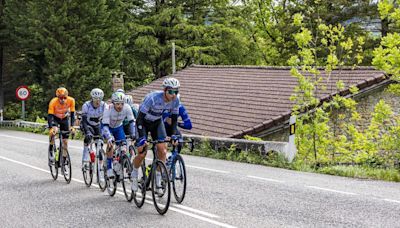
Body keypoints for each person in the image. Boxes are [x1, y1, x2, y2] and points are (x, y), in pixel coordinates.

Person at [131, 77, 180, 193]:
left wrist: (173, 135)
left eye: (176, 92)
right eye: (171, 92)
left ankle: (158, 179)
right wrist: (142, 138)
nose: (173, 95)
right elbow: (139, 119)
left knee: (162, 150)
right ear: (164, 90)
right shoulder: (152, 98)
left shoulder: (176, 100)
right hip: (143, 123)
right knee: (142, 152)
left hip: (157, 122)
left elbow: (174, 121)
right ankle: (134, 173)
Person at [101, 91, 136, 178]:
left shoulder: (127, 107)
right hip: (107, 127)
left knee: (123, 147)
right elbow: (105, 126)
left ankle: (118, 164)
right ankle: (109, 168)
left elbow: (132, 121)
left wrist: (133, 134)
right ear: (113, 103)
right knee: (110, 145)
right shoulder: (108, 108)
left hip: (118, 127)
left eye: (121, 104)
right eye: (117, 104)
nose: (120, 106)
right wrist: (109, 137)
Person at [80, 88, 106, 181]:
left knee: (100, 145)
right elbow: (83, 121)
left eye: (99, 99)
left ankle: (100, 171)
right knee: (89, 137)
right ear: (92, 98)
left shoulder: (104, 105)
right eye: (96, 99)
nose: (98, 101)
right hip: (87, 124)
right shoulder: (86, 105)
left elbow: (106, 119)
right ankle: (86, 155)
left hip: (98, 125)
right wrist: (87, 132)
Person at [48, 87, 76, 168]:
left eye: (64, 98)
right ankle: (51, 148)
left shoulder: (71, 100)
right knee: (54, 130)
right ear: (57, 97)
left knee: (65, 142)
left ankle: (63, 160)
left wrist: (72, 126)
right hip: (55, 118)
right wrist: (51, 128)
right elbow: (50, 116)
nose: (63, 100)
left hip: (64, 119)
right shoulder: (53, 102)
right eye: (60, 98)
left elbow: (72, 114)